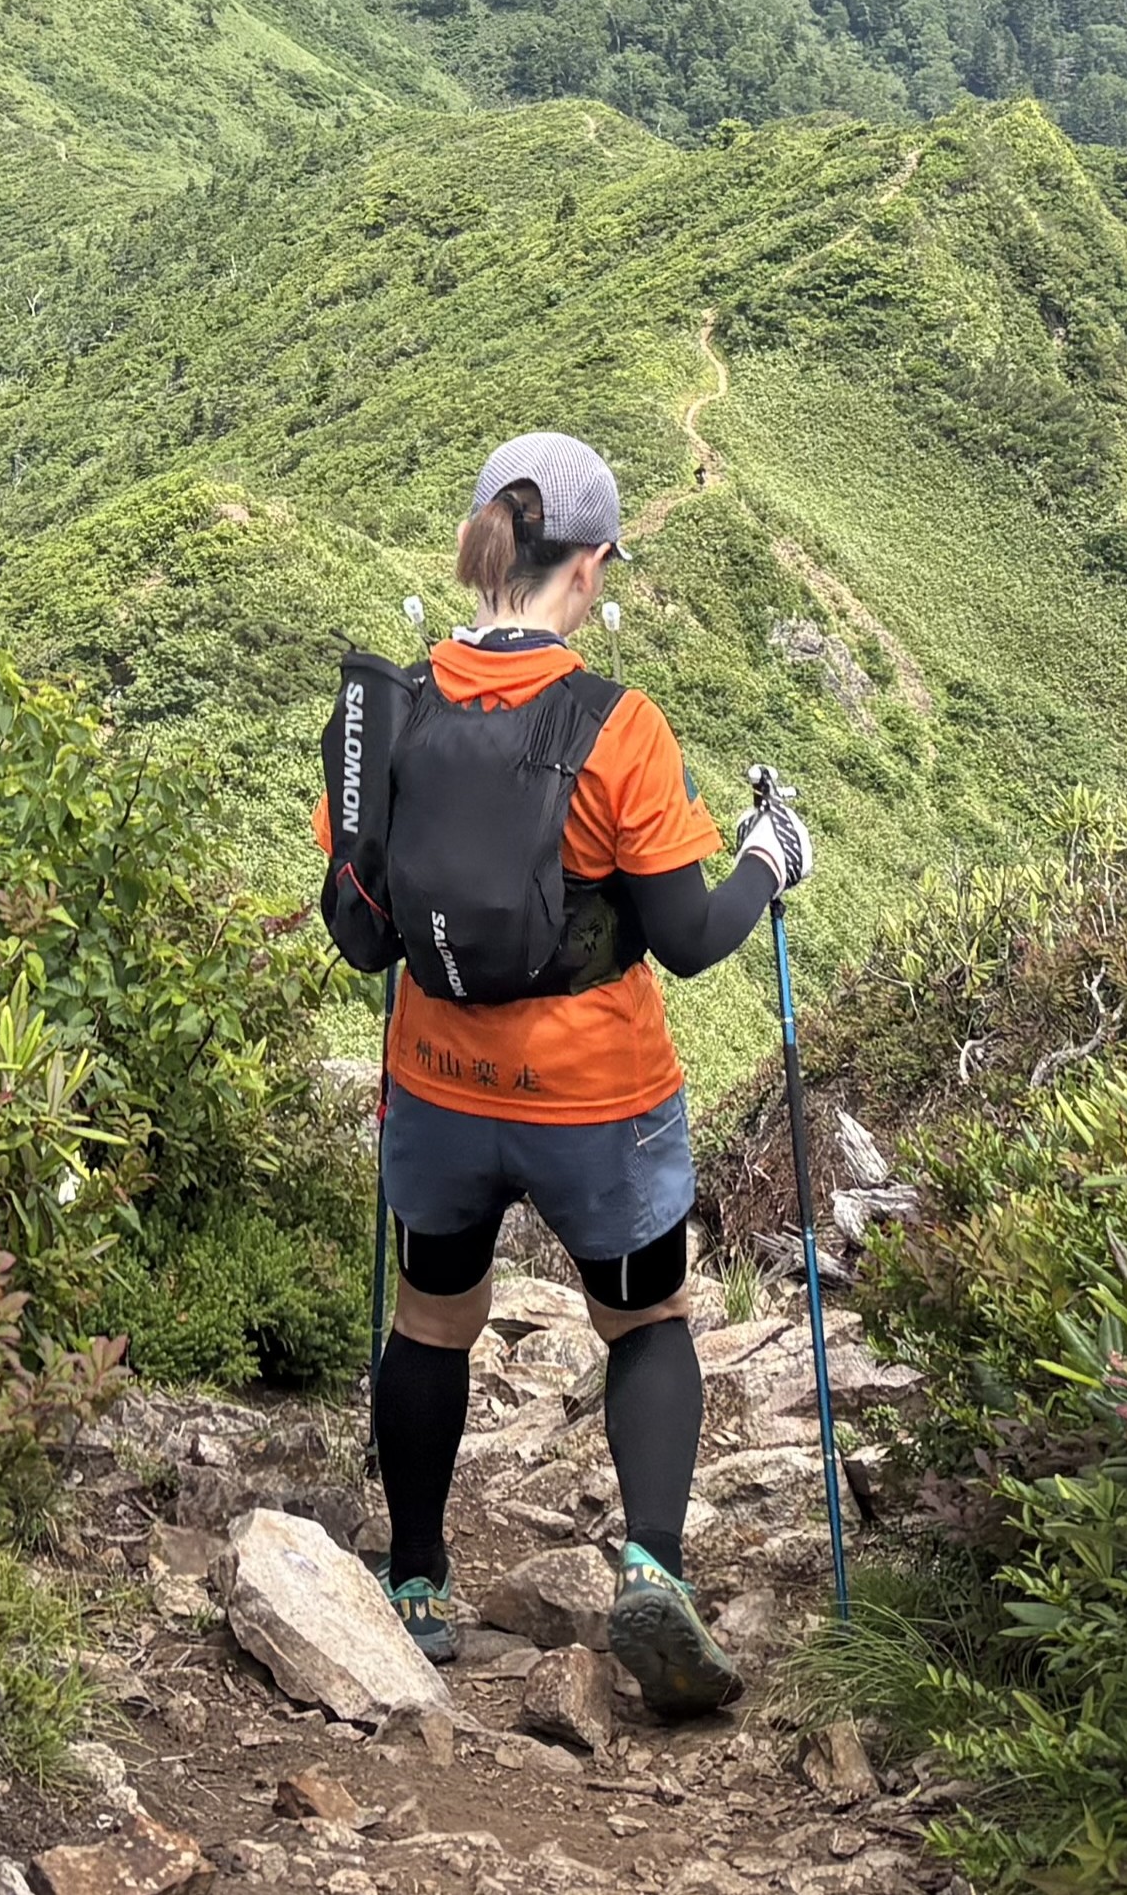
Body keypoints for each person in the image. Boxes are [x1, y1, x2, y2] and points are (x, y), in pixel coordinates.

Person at [318, 428, 818, 1715]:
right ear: (587, 569)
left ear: (486, 544)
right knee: (644, 1322)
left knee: (432, 1323)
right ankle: (652, 1564)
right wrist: (771, 859)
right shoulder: (619, 729)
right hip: (598, 1103)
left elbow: (360, 918)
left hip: (435, 1085)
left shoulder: (389, 712)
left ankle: (417, 1583)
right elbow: (691, 940)